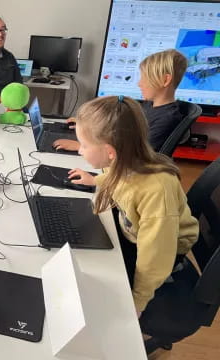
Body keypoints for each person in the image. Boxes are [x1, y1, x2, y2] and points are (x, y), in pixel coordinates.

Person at [67, 96, 198, 317]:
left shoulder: (155, 190)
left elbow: (155, 257)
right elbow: (115, 181)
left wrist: (137, 302)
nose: (80, 151)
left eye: (85, 145)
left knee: (97, 297)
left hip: (162, 249)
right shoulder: (121, 162)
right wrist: (95, 180)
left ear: (109, 151)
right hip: (137, 232)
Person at [52, 49, 187, 152]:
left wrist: (82, 146)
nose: (139, 84)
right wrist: (89, 127)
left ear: (165, 80)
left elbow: (135, 155)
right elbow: (122, 130)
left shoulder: (167, 119)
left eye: (145, 78)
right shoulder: (148, 106)